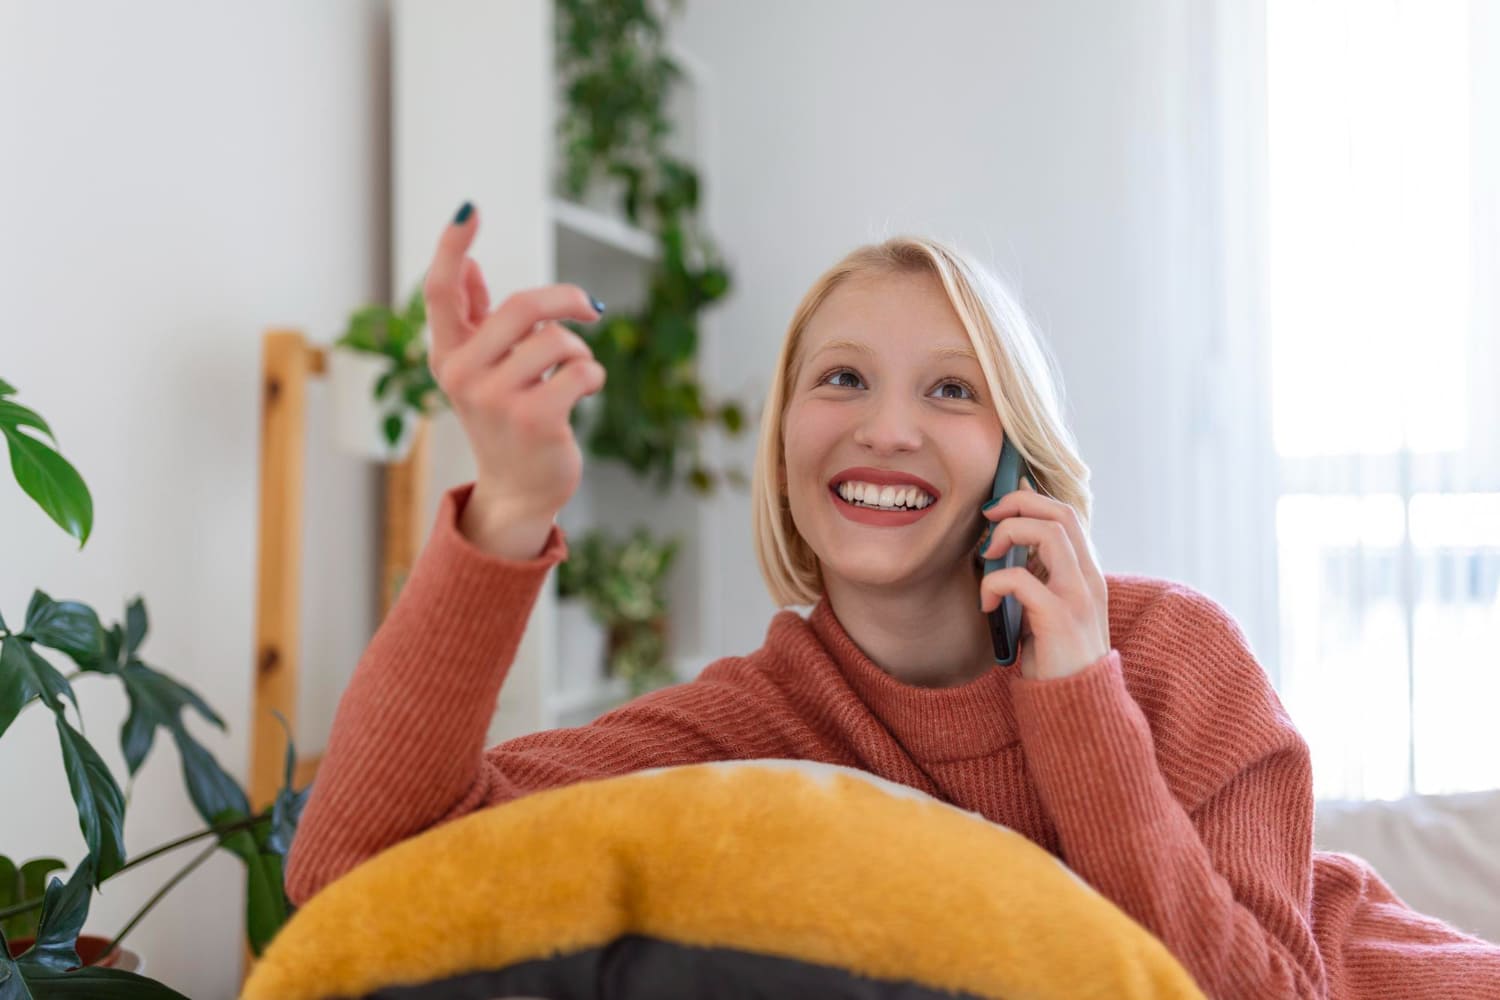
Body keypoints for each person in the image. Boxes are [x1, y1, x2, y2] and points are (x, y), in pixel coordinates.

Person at [284, 201, 1500, 999]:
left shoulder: (1172, 653)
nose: (886, 427)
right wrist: (504, 505)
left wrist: (1078, 697)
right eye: (844, 378)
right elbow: (352, 872)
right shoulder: (758, 721)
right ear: (784, 445)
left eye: (953, 392)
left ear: (1022, 458)